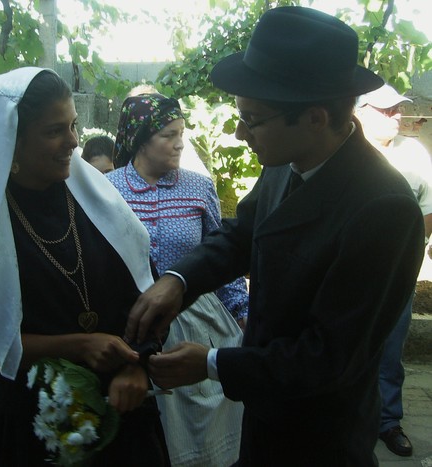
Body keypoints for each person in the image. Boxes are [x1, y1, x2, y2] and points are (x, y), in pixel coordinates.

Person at [123, 6, 426, 467]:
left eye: (253, 119)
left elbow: (326, 358)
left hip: (320, 439)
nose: (240, 133)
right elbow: (243, 234)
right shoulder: (288, 160)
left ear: (315, 118)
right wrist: (178, 281)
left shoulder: (382, 209)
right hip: (263, 419)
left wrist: (211, 363)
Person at [0, 67, 171, 466]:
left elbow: (148, 291)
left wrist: (140, 365)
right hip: (35, 422)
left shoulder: (99, 204)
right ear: (10, 141)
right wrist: (78, 345)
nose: (74, 141)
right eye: (54, 131)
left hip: (124, 408)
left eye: (73, 125)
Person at [107, 93, 248, 467]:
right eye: (169, 135)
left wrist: (242, 313)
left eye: (181, 133)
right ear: (141, 139)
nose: (180, 143)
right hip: (132, 324)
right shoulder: (107, 189)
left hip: (200, 321)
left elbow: (222, 258)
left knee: (208, 431)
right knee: (151, 432)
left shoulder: (199, 187)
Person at [355, 83, 432, 457]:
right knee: (345, 342)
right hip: (349, 269)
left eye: (398, 108)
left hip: (397, 271)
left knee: (390, 349)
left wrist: (405, 254)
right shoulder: (345, 150)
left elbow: (428, 210)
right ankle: (348, 418)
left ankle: (387, 421)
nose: (396, 115)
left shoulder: (413, 153)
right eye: (386, 110)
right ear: (359, 112)